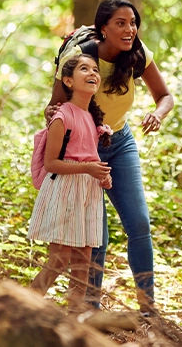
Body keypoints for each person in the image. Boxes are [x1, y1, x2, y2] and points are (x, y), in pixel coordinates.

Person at [45, 0, 174, 315]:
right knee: (95, 232)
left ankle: (148, 309)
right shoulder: (79, 59)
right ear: (103, 28)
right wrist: (56, 120)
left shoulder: (138, 54)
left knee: (139, 224)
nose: (129, 29)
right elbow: (54, 108)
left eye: (132, 22)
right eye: (121, 23)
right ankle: (91, 307)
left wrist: (158, 114)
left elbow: (166, 96)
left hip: (121, 142)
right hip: (84, 149)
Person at [29, 54, 113, 313]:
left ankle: (74, 323)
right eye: (84, 69)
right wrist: (87, 168)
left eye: (95, 69)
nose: (92, 73)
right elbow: (52, 163)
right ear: (67, 80)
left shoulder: (92, 118)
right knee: (58, 259)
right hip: (65, 190)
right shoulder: (63, 116)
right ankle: (21, 310)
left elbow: (90, 156)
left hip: (88, 193)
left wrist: (101, 175)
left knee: (82, 264)